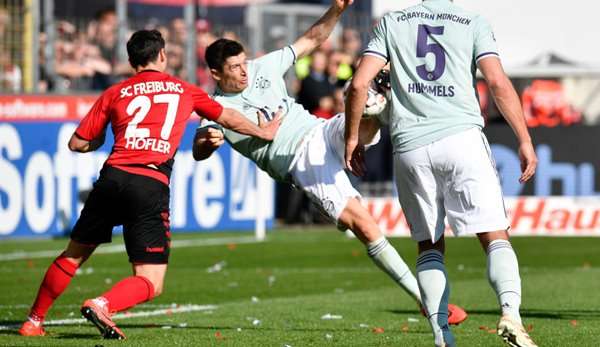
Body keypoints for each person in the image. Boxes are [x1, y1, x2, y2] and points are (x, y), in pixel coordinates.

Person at [193, 0, 467, 326]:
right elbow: (199, 147)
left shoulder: (260, 67)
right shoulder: (215, 108)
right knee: (364, 226)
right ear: (215, 74)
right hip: (302, 163)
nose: (244, 71)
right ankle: (426, 301)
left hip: (321, 131)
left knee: (362, 96)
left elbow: (312, 39)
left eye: (243, 63)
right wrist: (206, 144)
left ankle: (393, 99)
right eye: (234, 68)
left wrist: (337, 9)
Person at [18, 29, 281, 339]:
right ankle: (103, 304)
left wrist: (101, 139)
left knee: (72, 255)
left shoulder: (114, 93)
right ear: (163, 55)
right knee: (151, 280)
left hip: (112, 178)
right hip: (149, 182)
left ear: (131, 61)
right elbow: (227, 116)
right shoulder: (184, 89)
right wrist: (262, 132)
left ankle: (33, 321)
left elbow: (77, 144)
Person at [344, 1, 538, 347]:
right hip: (462, 138)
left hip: (410, 147)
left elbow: (359, 85)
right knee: (495, 235)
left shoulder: (392, 21)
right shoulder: (472, 21)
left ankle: (441, 334)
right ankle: (511, 314)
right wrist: (524, 138)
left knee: (429, 245)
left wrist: (352, 137)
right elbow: (497, 81)